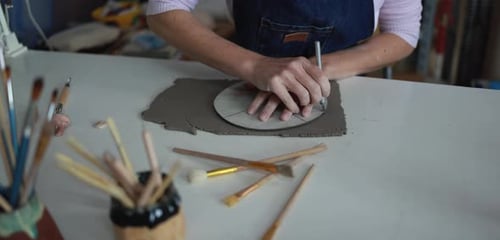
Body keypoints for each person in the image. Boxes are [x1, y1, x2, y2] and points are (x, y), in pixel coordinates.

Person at [146, 0, 422, 121]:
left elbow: (402, 32)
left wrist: (311, 73)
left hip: (341, 81)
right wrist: (254, 66)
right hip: (241, 77)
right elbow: (164, 10)